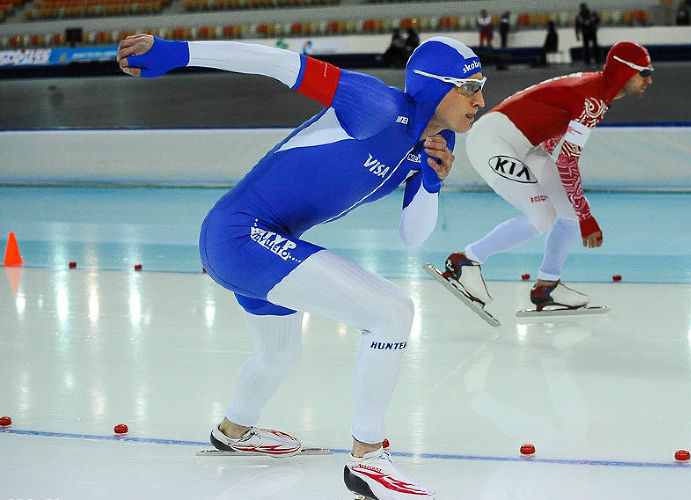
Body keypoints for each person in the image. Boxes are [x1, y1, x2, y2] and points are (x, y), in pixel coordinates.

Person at [117, 34, 485, 500]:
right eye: (470, 87)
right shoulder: (375, 104)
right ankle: (368, 458)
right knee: (391, 311)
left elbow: (413, 235)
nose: (480, 100)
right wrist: (178, 53)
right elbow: (277, 62)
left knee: (279, 352)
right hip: (240, 235)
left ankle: (233, 431)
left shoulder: (438, 140)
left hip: (265, 241)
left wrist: (431, 182)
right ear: (435, 86)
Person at [441, 41, 653, 312]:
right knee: (542, 216)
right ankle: (466, 261)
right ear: (624, 72)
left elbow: (553, 131)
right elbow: (567, 161)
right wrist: (587, 218)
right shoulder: (594, 99)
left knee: (569, 211)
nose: (649, 80)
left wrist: (580, 212)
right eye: (644, 72)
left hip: (527, 145)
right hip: (493, 140)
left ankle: (547, 286)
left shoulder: (596, 91)